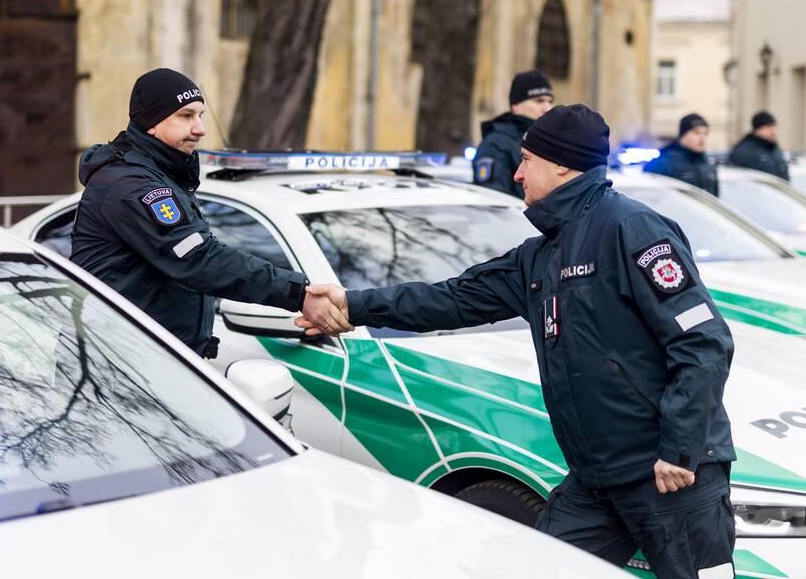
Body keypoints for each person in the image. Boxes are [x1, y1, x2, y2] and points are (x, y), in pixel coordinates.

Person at [298, 105, 736, 579]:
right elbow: (454, 298)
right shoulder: (542, 254)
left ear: (564, 164)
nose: (517, 172)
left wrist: (680, 447)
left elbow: (704, 341)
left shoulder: (632, 229)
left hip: (670, 476)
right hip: (597, 481)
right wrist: (351, 305)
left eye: (528, 159)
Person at [70, 68, 341, 357]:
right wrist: (297, 293)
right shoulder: (130, 185)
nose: (200, 129)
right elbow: (200, 260)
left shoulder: (159, 174)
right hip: (118, 365)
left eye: (200, 116)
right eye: (186, 116)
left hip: (146, 358)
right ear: (151, 122)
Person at [472, 70, 555, 198]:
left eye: (550, 101)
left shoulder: (549, 141)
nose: (547, 108)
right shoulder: (496, 144)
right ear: (515, 106)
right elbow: (494, 201)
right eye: (539, 101)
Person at [643, 113, 719, 195]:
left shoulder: (708, 164)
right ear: (683, 135)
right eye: (697, 133)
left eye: (705, 133)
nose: (702, 138)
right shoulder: (662, 163)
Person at [729, 111, 789, 180]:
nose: (773, 130)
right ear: (757, 129)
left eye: (774, 126)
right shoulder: (743, 152)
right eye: (768, 126)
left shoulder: (775, 149)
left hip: (779, 190)